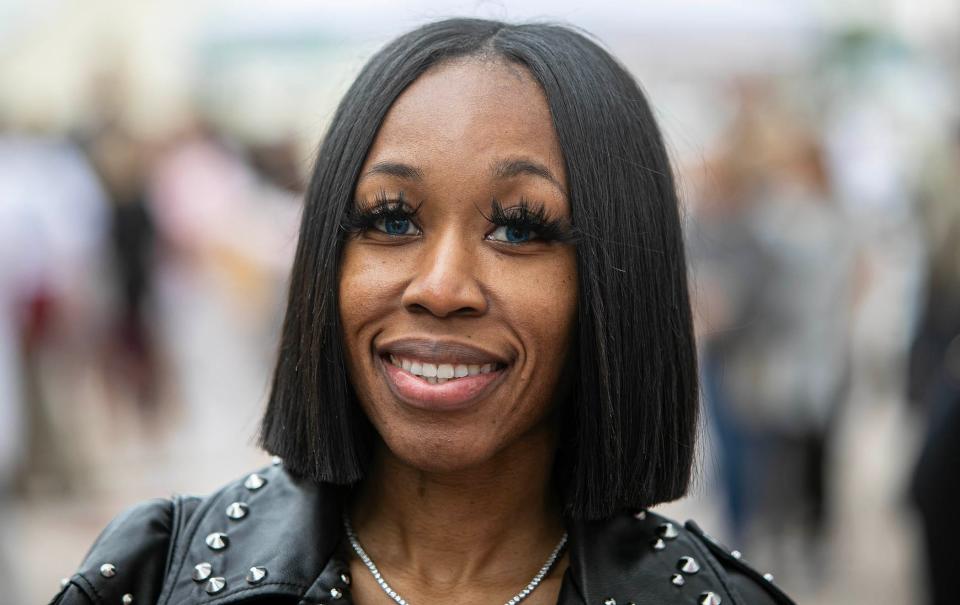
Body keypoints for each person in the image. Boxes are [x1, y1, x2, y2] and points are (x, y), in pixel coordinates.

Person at [51, 18, 794, 605]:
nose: (440, 287)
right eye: (393, 218)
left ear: (615, 282)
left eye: (521, 228)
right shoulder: (152, 577)